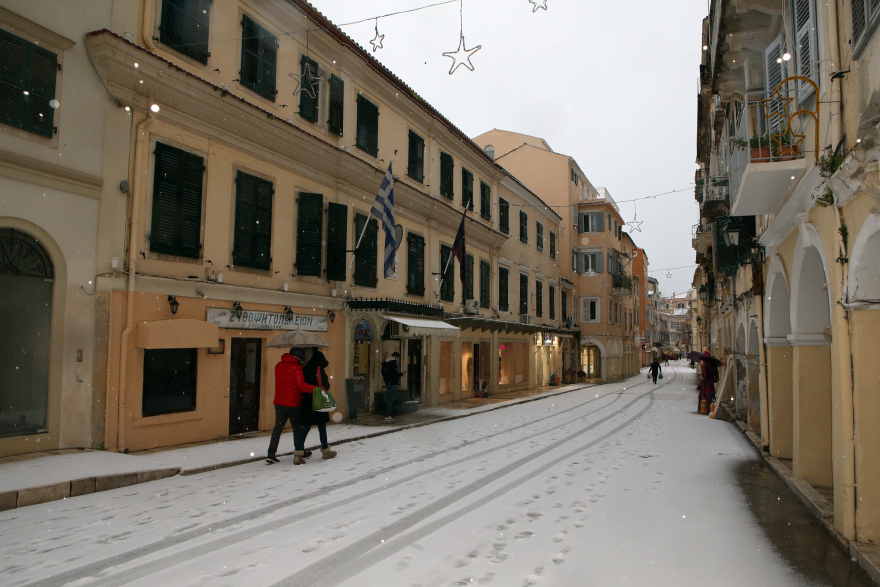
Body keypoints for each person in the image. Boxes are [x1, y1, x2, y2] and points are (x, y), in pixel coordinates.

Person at [266, 347, 321, 465]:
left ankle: (271, 454)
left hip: (279, 402)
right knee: (297, 428)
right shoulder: (296, 367)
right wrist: (315, 389)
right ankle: (299, 452)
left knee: (278, 428)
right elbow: (301, 386)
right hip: (293, 403)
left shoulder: (278, 365)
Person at [300, 349, 337, 460]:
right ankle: (325, 450)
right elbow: (326, 385)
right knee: (321, 427)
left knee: (306, 427)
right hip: (318, 401)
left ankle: (299, 451)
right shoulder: (319, 369)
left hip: (307, 401)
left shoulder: (305, 369)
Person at [381, 352, 403, 420]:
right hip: (393, 383)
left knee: (390, 398)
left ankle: (389, 413)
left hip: (389, 383)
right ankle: (389, 413)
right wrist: (401, 374)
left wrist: (387, 380)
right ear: (395, 357)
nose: (398, 359)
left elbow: (383, 372)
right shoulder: (393, 364)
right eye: (397, 358)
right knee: (391, 399)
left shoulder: (386, 363)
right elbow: (394, 374)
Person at [698, 349, 719, 413]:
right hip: (711, 383)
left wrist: (702, 383)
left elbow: (705, 375)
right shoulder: (712, 364)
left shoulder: (705, 365)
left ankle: (704, 409)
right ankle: (710, 409)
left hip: (706, 385)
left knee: (704, 397)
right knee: (710, 397)